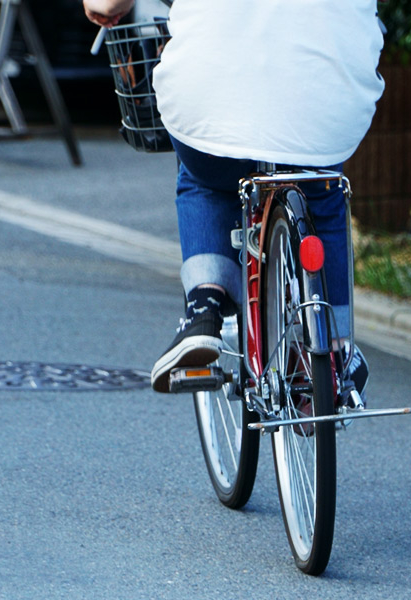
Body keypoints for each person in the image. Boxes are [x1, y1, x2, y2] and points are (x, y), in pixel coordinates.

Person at [83, 0, 384, 395]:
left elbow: (107, 3)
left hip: (212, 100)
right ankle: (335, 350)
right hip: (326, 102)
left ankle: (204, 305)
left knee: (203, 179)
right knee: (322, 193)